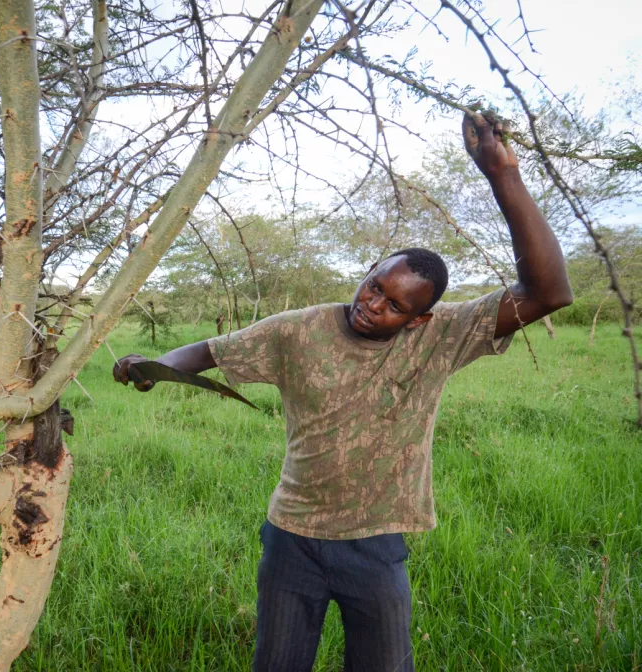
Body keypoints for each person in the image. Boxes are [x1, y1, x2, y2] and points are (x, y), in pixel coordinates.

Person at [112, 112, 572, 671]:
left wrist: (502, 175)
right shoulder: (297, 329)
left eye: (395, 305)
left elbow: (547, 293)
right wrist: (154, 365)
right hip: (292, 538)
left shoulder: (444, 336)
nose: (372, 304)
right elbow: (211, 350)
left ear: (419, 320)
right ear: (370, 269)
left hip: (375, 546)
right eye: (374, 286)